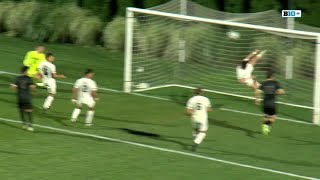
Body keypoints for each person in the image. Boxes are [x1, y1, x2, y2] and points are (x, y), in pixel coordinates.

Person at [259, 71, 285, 135]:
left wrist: (257, 100)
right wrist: (276, 93)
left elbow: (257, 91)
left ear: (266, 77)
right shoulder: (275, 83)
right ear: (272, 77)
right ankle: (266, 125)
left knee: (266, 116)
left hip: (265, 103)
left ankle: (265, 127)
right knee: (273, 117)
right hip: (272, 103)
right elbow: (282, 92)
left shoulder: (264, 83)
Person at [10, 66, 35, 131]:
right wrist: (33, 89)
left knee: (21, 110)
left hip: (20, 97)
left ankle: (24, 124)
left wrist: (14, 87)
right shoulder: (29, 79)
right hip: (27, 97)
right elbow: (32, 88)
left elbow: (13, 88)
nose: (28, 72)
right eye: (28, 71)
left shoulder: (17, 78)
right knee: (29, 111)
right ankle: (30, 126)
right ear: (25, 71)